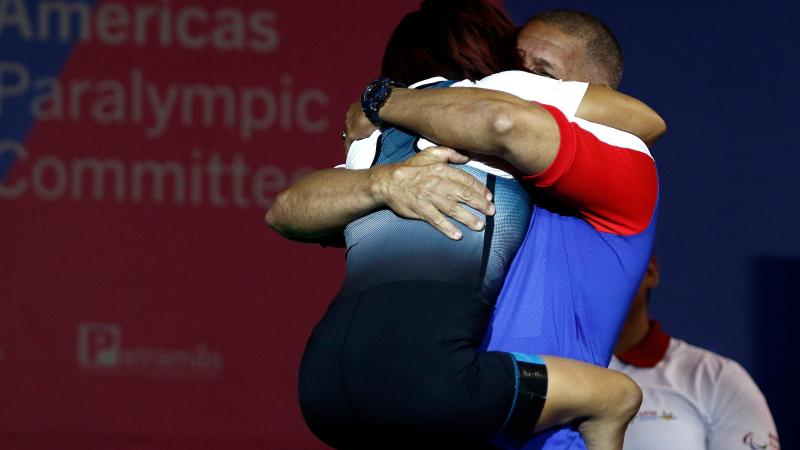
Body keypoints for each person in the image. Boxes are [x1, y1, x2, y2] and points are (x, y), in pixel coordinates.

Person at [267, 2, 662, 449]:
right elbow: (286, 208)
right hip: (450, 409)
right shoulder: (431, 163)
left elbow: (508, 119)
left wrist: (383, 100)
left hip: (529, 429)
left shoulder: (624, 161)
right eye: (516, 61)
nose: (523, 77)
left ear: (594, 94)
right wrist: (384, 182)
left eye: (542, 74)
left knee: (616, 396)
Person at [609, 255, 780, 450]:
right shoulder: (567, 370)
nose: (594, 276)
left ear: (650, 271)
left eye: (609, 259)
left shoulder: (718, 378)